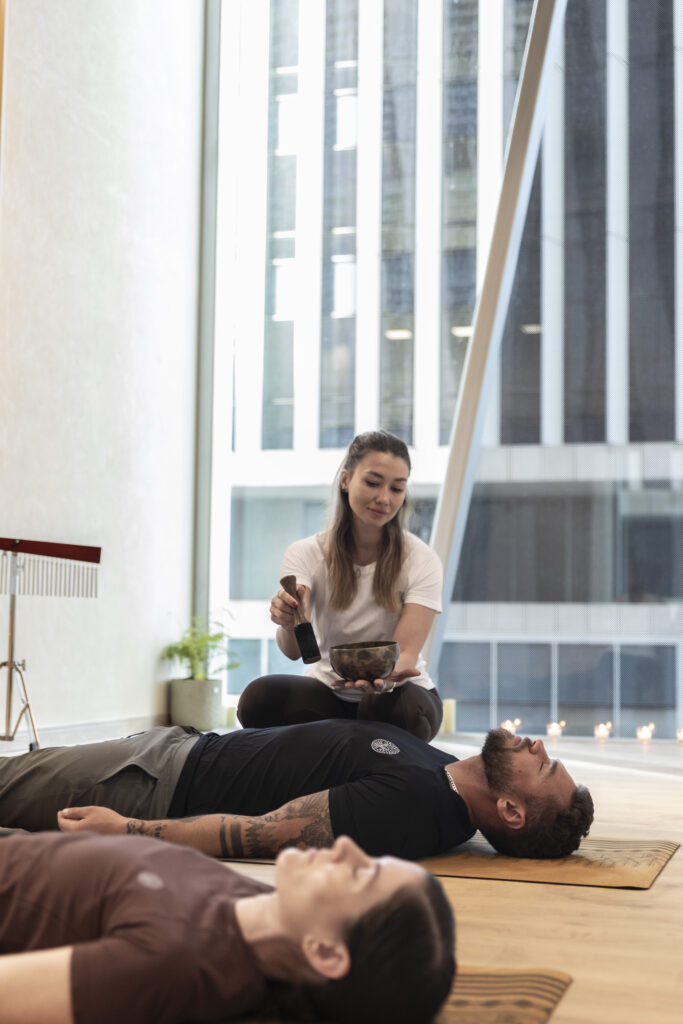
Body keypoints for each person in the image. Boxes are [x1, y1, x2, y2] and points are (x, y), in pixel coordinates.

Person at [0, 830, 455, 1024]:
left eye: (360, 874)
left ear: (326, 952)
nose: (347, 846)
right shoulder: (257, 903)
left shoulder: (172, 959)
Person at [0, 721, 593, 861]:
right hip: (177, 751)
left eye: (543, 765)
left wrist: (126, 829)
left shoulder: (414, 809)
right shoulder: (449, 772)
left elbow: (256, 836)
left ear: (511, 809)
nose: (538, 745)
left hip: (152, 786)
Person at [237, 430, 444, 742]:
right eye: (373, 482)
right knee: (258, 698)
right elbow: (294, 652)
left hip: (396, 692)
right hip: (329, 691)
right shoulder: (305, 553)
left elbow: (406, 653)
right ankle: (349, 741)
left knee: (389, 711)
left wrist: (382, 682)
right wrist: (288, 620)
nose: (384, 498)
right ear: (345, 480)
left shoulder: (421, 559)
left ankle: (340, 741)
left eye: (397, 488)